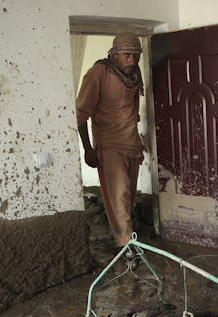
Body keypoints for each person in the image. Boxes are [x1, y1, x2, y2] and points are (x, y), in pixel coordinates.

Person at [76, 32, 144, 251]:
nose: (132, 60)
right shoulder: (99, 73)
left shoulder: (134, 74)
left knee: (127, 198)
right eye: (126, 55)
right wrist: (88, 149)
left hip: (132, 145)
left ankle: (126, 237)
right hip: (110, 146)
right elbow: (80, 115)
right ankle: (128, 248)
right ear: (114, 54)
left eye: (135, 55)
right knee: (120, 195)